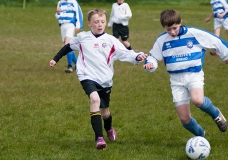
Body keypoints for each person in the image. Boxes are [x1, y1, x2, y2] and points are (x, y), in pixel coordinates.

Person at [50, 8, 147, 150]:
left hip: (105, 80)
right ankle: (99, 138)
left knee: (105, 112)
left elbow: (126, 53)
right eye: (96, 22)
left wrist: (137, 56)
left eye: (102, 21)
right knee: (94, 99)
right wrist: (55, 59)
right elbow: (68, 47)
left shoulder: (111, 40)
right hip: (86, 76)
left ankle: (109, 128)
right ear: (89, 23)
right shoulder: (83, 37)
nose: (100, 24)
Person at [144, 9, 228, 138]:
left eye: (175, 28)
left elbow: (216, 41)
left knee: (197, 100)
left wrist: (226, 56)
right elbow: (153, 57)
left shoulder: (194, 34)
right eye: (168, 29)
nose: (172, 32)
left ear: (180, 22)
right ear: (164, 27)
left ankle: (216, 114)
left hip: (194, 75)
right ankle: (201, 136)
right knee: (184, 119)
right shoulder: (162, 40)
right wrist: (150, 64)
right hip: (176, 81)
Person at [55, 0, 83, 73]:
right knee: (67, 47)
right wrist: (58, 13)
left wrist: (78, 25)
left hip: (71, 25)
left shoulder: (73, 2)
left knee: (67, 45)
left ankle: (69, 66)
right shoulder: (60, 2)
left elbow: (79, 13)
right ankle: (77, 64)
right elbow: (57, 15)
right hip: (63, 25)